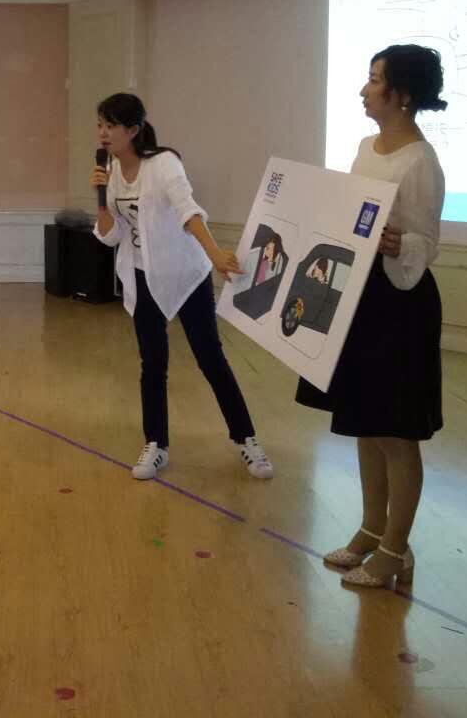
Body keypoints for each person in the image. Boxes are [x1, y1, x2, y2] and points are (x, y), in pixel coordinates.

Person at [297, 44, 447, 588]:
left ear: (402, 95)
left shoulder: (421, 161)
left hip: (399, 303)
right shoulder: (366, 147)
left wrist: (398, 243)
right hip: (360, 296)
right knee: (366, 423)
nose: (364, 89)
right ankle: (370, 529)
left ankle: (395, 551)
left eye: (375, 80)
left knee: (395, 432)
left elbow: (427, 242)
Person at [90, 93, 273, 482]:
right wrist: (102, 202)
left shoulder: (163, 164)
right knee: (152, 364)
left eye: (111, 125)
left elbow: (187, 211)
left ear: (133, 130)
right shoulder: (111, 170)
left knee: (211, 358)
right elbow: (111, 235)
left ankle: (246, 438)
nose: (103, 133)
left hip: (186, 274)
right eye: (100, 125)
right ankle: (156, 444)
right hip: (144, 276)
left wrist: (215, 253)